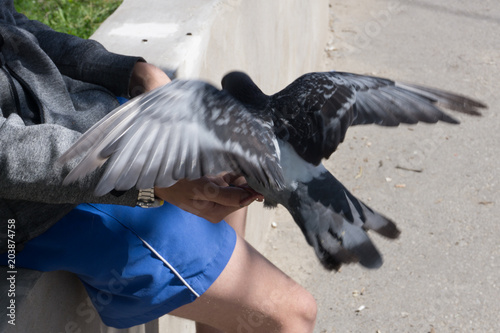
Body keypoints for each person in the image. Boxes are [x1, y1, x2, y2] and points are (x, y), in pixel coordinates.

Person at [0, 1, 317, 332]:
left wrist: (132, 72)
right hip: (43, 197)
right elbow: (9, 156)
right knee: (292, 313)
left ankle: (218, 279)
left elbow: (12, 29)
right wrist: (148, 180)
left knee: (232, 150)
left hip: (86, 121)